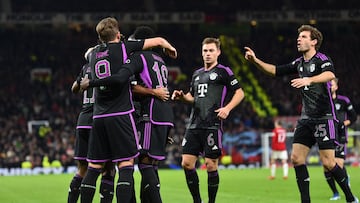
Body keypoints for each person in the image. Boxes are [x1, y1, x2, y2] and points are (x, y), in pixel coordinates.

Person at [244, 24, 358, 203]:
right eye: (299, 37)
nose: (299, 39)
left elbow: (329, 74)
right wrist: (256, 61)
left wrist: (309, 79)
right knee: (296, 159)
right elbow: (275, 70)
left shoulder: (322, 59)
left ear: (313, 42)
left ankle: (350, 198)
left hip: (324, 117)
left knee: (328, 163)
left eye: (303, 37)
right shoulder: (298, 63)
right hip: (306, 119)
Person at [78, 17, 177, 203]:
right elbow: (158, 40)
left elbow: (88, 53)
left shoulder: (92, 55)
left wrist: (89, 82)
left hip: (98, 116)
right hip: (121, 114)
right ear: (118, 34)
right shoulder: (124, 48)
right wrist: (168, 47)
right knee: (126, 165)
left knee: (93, 167)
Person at [171, 37, 245, 203]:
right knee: (187, 163)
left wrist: (227, 108)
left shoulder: (224, 71)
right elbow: (193, 96)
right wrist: (182, 97)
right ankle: (197, 200)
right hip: (194, 124)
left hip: (212, 124)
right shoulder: (197, 74)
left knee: (211, 165)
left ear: (218, 52)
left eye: (211, 50)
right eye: (205, 51)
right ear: (201, 52)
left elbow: (240, 93)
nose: (208, 54)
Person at [68, 48, 116, 203]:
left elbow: (74, 89)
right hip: (100, 119)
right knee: (108, 169)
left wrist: (81, 82)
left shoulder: (85, 68)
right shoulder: (106, 65)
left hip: (83, 121)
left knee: (82, 169)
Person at [324, 78, 357, 201]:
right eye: (327, 84)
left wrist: (344, 123)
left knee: (337, 164)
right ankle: (335, 193)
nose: (329, 86)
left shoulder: (344, 100)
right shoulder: (324, 101)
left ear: (336, 87)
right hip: (327, 136)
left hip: (340, 136)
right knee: (326, 166)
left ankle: (348, 191)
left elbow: (353, 116)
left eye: (331, 84)